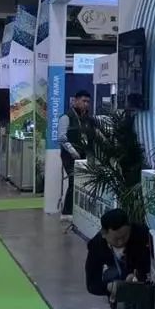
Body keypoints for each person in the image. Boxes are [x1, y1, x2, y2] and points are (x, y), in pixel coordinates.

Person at [85, 208, 155, 309]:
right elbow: (92, 284)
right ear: (104, 234)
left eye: (125, 236)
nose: (121, 242)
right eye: (116, 239)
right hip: (118, 284)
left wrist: (139, 275)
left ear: (130, 228)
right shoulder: (96, 246)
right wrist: (109, 288)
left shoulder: (141, 232)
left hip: (143, 280)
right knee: (111, 275)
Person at [59, 90, 94, 218]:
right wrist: (72, 150)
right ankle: (67, 213)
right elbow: (62, 137)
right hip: (69, 155)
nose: (86, 104)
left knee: (82, 182)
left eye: (88, 102)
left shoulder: (87, 118)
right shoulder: (66, 117)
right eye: (84, 101)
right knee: (73, 181)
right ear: (75, 101)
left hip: (83, 154)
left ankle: (79, 212)